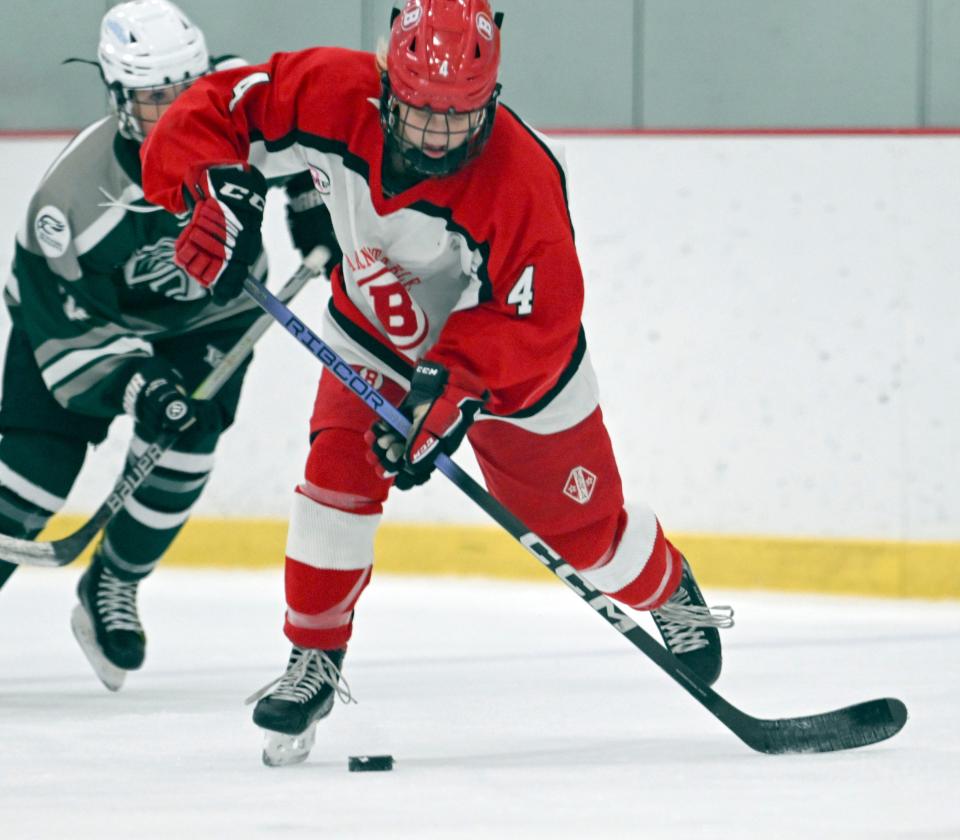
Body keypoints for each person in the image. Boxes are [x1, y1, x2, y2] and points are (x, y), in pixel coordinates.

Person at [141, 0, 734, 764]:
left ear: (491, 99)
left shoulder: (521, 177)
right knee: (336, 477)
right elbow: (212, 107)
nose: (435, 139)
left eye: (459, 120)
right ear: (388, 82)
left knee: (587, 539)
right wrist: (211, 191)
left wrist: (451, 390)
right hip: (375, 332)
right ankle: (314, 658)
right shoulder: (327, 89)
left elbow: (541, 316)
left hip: (512, 371)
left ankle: (667, 586)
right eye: (419, 115)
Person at [0, 0, 276, 692]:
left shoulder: (245, 118)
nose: (177, 112)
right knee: (32, 480)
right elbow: (65, 324)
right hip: (74, 326)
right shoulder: (70, 201)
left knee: (186, 446)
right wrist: (134, 384)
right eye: (156, 100)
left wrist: (311, 214)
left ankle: (113, 584)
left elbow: (319, 142)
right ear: (120, 98)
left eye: (186, 93)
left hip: (206, 320)